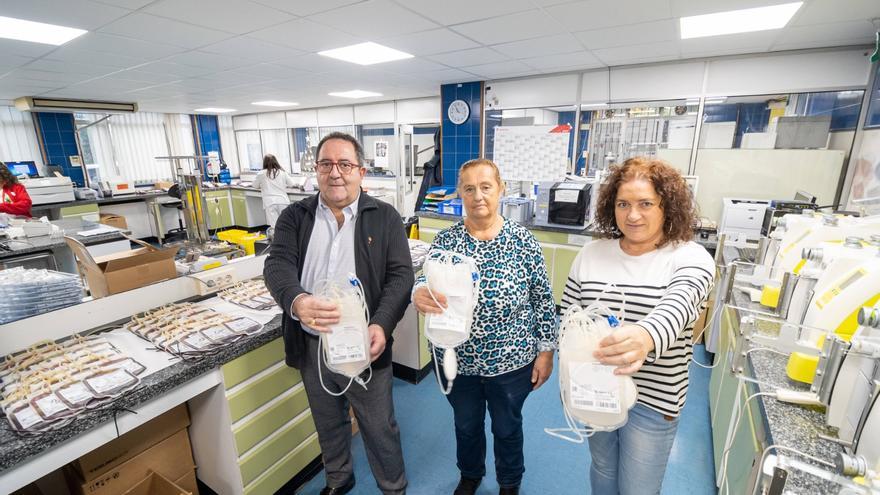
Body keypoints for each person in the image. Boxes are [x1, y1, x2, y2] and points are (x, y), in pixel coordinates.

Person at [263, 132, 413, 495]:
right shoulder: (294, 217)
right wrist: (297, 301)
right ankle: (338, 479)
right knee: (328, 421)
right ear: (315, 170)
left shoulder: (385, 217)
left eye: (345, 164)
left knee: (378, 425)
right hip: (312, 342)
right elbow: (277, 264)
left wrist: (381, 323)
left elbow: (401, 275)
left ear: (361, 171)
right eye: (326, 164)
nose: (335, 173)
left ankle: (392, 487)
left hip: (364, 343)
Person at [560, 157, 715, 495]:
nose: (633, 215)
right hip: (596, 389)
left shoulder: (690, 257)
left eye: (646, 204)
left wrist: (645, 337)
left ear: (666, 206)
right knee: (602, 469)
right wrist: (569, 380)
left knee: (638, 488)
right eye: (623, 204)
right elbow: (568, 317)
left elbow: (680, 305)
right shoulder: (591, 253)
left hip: (654, 400)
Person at [412, 158, 557, 495]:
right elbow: (423, 279)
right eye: (469, 188)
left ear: (500, 189)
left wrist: (546, 351)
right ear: (460, 193)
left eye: (486, 187)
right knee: (466, 424)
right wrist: (418, 292)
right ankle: (470, 474)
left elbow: (543, 301)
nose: (478, 195)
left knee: (507, 427)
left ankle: (509, 482)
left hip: (511, 360)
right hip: (456, 358)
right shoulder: (447, 241)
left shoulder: (524, 242)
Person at [251, 154, 296, 229]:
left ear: (264, 163)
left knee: (275, 226)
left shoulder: (262, 173)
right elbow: (292, 184)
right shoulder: (282, 172)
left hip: (270, 203)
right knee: (286, 224)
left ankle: (277, 240)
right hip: (283, 201)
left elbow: (255, 185)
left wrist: (262, 185)